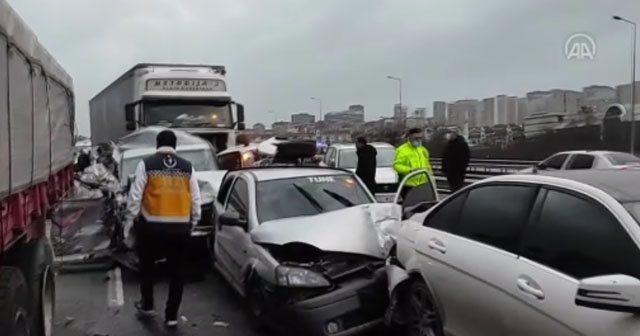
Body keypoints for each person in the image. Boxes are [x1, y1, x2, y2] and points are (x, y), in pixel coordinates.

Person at [123, 130, 201, 329]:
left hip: (151, 228)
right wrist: (192, 223)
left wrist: (129, 222)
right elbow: (196, 200)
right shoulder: (187, 167)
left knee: (147, 268)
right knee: (177, 273)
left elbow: (135, 196)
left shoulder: (146, 165)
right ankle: (171, 315)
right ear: (175, 146)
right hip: (179, 229)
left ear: (157, 144)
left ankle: (148, 306)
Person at [393, 127, 434, 200]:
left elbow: (427, 165)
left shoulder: (422, 149)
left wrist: (432, 181)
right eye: (416, 138)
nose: (419, 140)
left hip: (423, 185)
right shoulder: (402, 150)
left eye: (420, 138)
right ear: (409, 138)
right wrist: (410, 170)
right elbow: (396, 166)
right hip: (409, 185)